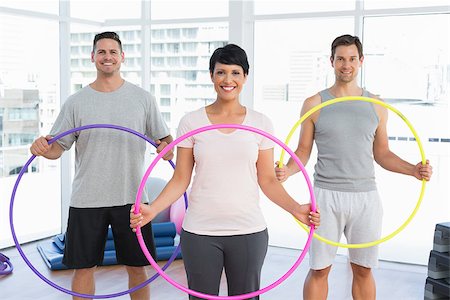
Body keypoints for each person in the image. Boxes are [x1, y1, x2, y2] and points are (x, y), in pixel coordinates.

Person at [130, 44, 320, 299]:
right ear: (211, 76)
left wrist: (296, 208)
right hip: (199, 232)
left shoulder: (261, 123)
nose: (227, 80)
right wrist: (153, 209)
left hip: (248, 232)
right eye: (221, 72)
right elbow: (181, 178)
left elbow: (267, 180)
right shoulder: (192, 122)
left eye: (235, 73)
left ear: (245, 78)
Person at [275, 34, 433, 300]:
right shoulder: (314, 103)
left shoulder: (376, 105)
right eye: (340, 59)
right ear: (332, 61)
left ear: (360, 61)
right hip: (325, 196)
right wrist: (287, 172)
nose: (345, 65)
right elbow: (302, 152)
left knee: (363, 269)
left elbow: (382, 154)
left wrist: (414, 170)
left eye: (351, 59)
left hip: (366, 198)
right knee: (319, 269)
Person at [30, 31, 173, 300]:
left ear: (122, 57)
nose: (108, 57)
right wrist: (40, 148)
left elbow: (165, 141)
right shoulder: (76, 102)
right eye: (102, 52)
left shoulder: (143, 99)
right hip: (87, 198)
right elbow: (56, 149)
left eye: (113, 52)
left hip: (132, 199)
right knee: (83, 269)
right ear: (93, 57)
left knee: (137, 268)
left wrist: (167, 148)